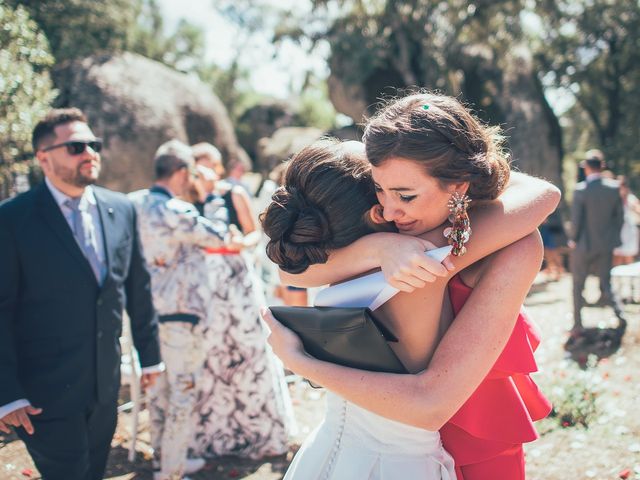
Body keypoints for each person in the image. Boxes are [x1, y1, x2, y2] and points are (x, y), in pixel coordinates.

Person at [260, 97, 558, 478]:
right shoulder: (383, 239)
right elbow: (293, 270)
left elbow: (546, 195)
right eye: (379, 190)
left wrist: (302, 361)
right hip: (399, 436)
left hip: (468, 432)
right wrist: (377, 246)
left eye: (406, 195)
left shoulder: (482, 243)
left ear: (459, 184)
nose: (387, 210)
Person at [0, 108, 162, 480]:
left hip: (104, 389)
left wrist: (150, 356)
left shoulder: (121, 209)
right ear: (44, 157)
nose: (90, 153)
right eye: (76, 147)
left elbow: (137, 286)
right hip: (44, 394)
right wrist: (6, 393)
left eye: (94, 144)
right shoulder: (11, 220)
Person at [129, 140, 233, 479]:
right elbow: (219, 235)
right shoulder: (177, 211)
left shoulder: (133, 205)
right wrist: (211, 197)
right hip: (180, 316)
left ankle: (164, 457)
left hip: (143, 316)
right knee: (182, 392)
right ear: (181, 173)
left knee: (157, 391)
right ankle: (171, 471)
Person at [188, 159, 294, 460]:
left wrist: (238, 243)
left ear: (216, 168)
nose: (200, 173)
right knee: (210, 356)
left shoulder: (233, 195)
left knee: (249, 350)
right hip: (203, 286)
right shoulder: (188, 201)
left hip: (236, 282)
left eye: (205, 166)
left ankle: (260, 431)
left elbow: (253, 234)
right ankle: (215, 434)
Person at [569, 149, 625, 331]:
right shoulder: (614, 188)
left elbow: (576, 220)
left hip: (583, 246)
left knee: (578, 285)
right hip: (605, 245)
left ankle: (578, 323)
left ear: (586, 168)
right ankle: (620, 315)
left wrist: (573, 239)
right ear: (602, 166)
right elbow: (619, 218)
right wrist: (614, 241)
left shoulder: (581, 190)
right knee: (606, 283)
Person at [613, 175, 640, 265]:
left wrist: (634, 208)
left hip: (629, 232)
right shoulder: (614, 199)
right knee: (617, 257)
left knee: (629, 257)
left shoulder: (631, 199)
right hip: (618, 231)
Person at [539, 208, 568, 280]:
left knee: (555, 253)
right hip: (546, 232)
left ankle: (560, 271)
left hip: (554, 234)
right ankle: (550, 270)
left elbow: (559, 222)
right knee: (547, 253)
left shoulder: (556, 208)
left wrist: (547, 221)